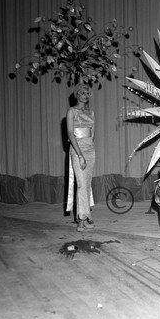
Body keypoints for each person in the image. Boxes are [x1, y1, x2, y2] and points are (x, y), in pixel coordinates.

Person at [66, 83, 96, 232]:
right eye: (82, 93)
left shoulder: (91, 113)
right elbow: (71, 134)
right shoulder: (72, 111)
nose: (85, 95)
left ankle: (86, 215)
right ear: (76, 94)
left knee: (87, 183)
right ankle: (81, 218)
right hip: (77, 149)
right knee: (81, 184)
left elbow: (92, 134)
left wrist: (89, 150)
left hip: (90, 150)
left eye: (87, 93)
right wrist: (80, 154)